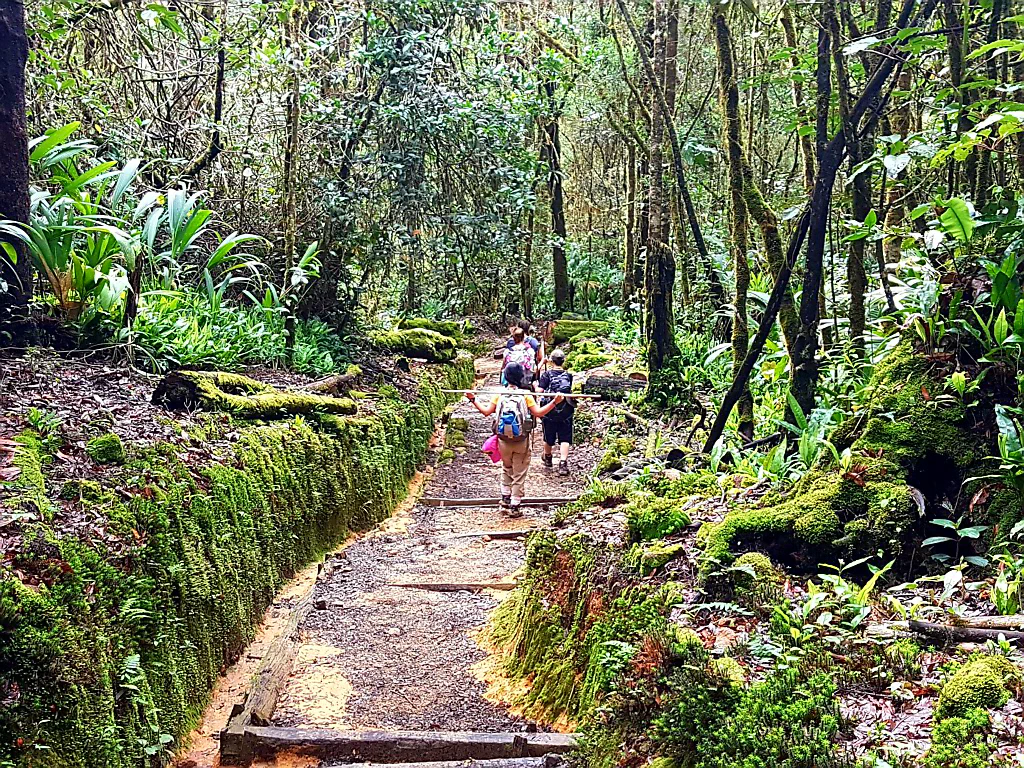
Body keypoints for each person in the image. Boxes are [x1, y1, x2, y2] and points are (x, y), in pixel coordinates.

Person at [466, 362, 564, 517]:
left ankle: (505, 499)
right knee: (519, 472)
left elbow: (486, 412)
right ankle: (515, 506)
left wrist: (473, 399)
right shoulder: (525, 395)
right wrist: (554, 402)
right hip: (521, 441)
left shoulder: (500, 394)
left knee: (507, 467)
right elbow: (538, 413)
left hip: (502, 440)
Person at [535, 348, 574, 475]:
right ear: (563, 361)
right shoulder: (569, 375)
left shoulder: (547, 375)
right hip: (566, 409)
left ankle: (548, 457)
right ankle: (563, 463)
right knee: (565, 437)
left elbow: (539, 391)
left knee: (549, 435)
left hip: (550, 408)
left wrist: (536, 385)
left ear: (551, 361)